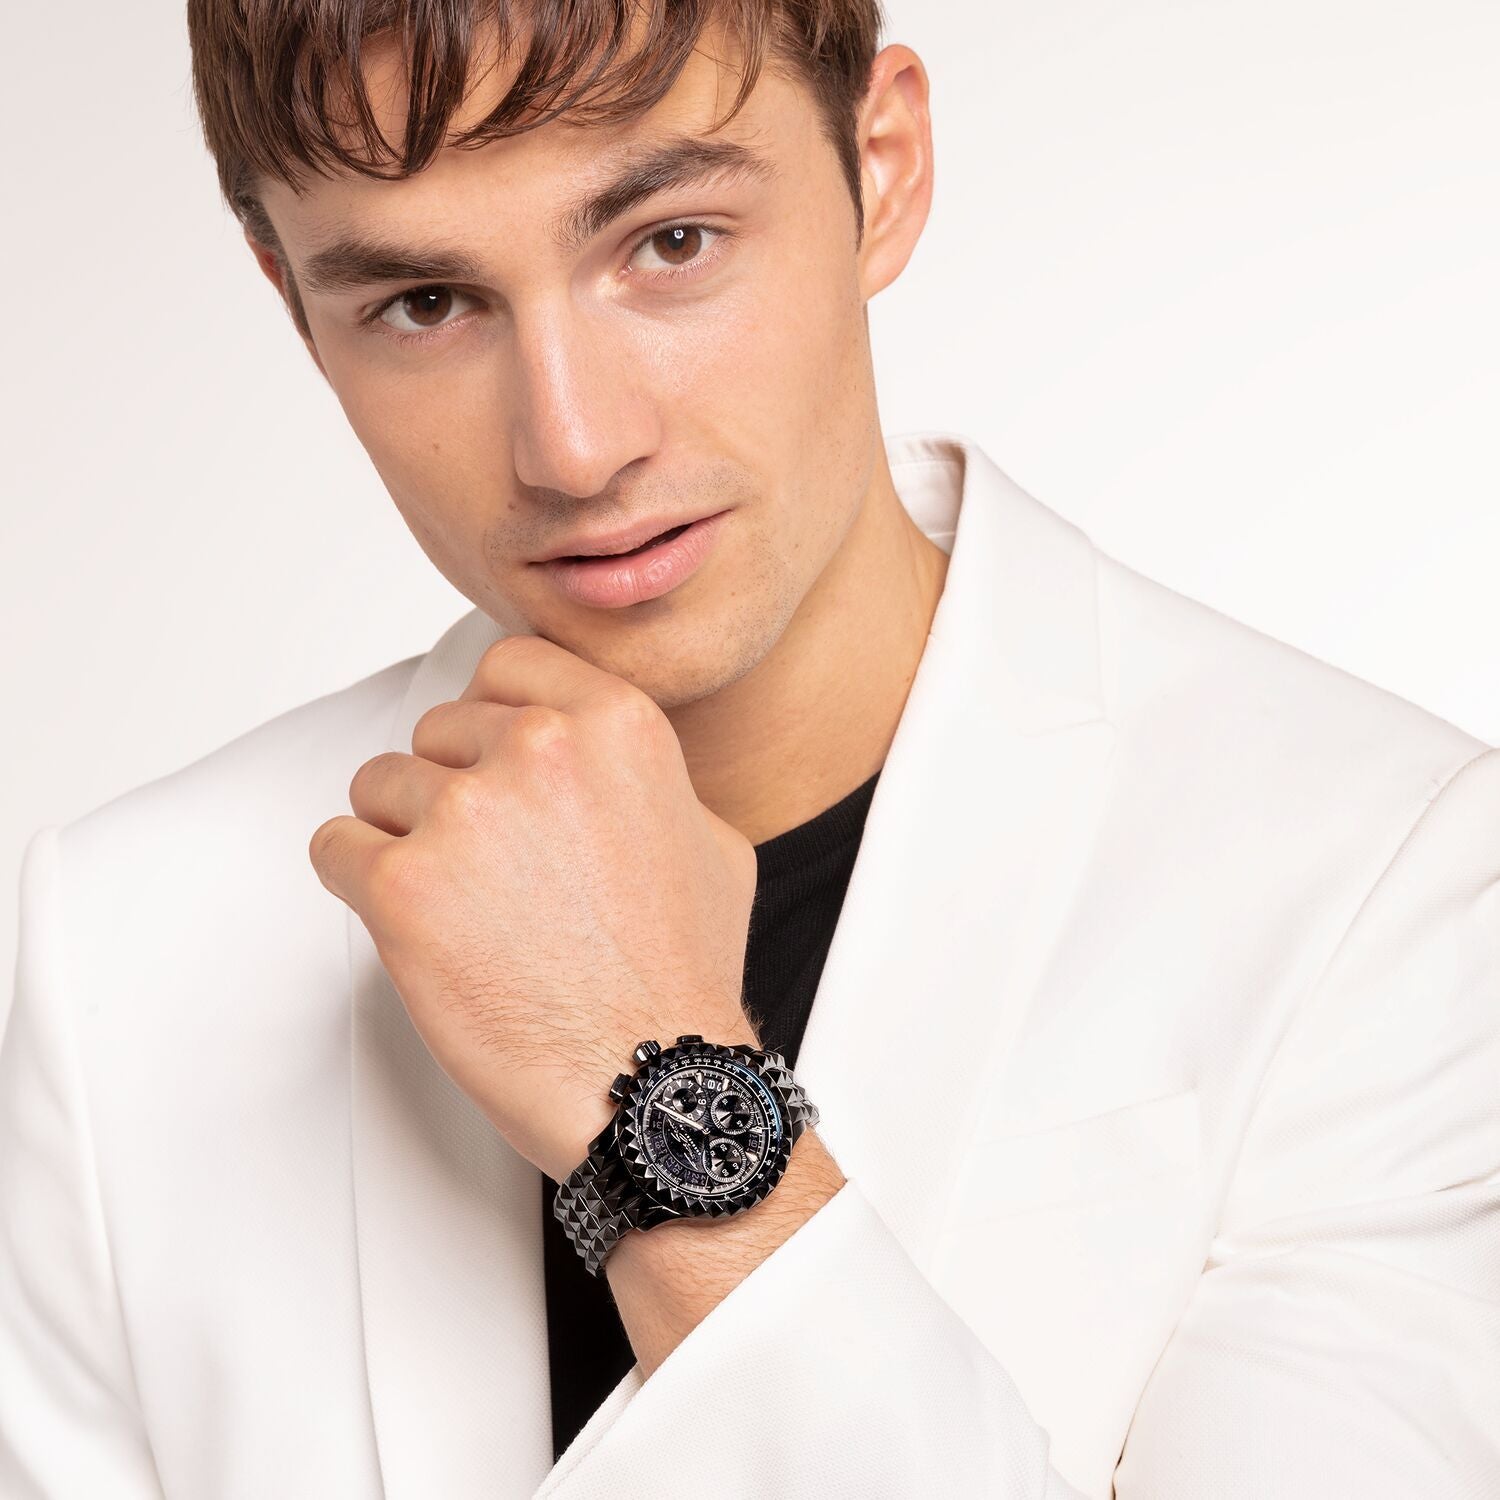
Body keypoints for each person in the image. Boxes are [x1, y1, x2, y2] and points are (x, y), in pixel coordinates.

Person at [2, 1, 1497, 1495]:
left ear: (882, 166)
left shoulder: (1392, 884)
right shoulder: (122, 945)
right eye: (425, 302)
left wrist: (655, 1098)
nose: (574, 446)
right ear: (293, 305)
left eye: (671, 243)